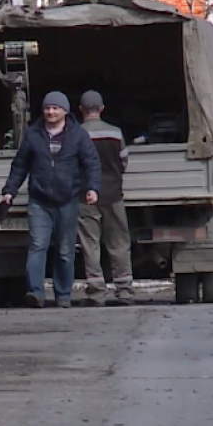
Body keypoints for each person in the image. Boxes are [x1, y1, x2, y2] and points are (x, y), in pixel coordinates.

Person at [1, 91, 101, 309]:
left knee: (65, 250)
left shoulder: (78, 135)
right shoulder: (33, 134)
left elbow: (91, 163)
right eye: (47, 108)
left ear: (65, 111)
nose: (50, 112)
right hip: (39, 200)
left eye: (55, 108)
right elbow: (20, 165)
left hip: (68, 200)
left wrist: (92, 188)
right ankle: (35, 292)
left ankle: (63, 294)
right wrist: (10, 190)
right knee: (38, 246)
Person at [75, 90, 134, 306]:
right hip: (113, 195)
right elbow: (123, 162)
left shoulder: (76, 134)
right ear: (101, 109)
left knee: (90, 244)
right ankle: (125, 290)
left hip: (85, 196)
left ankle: (96, 292)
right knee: (119, 241)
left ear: (80, 110)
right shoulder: (116, 133)